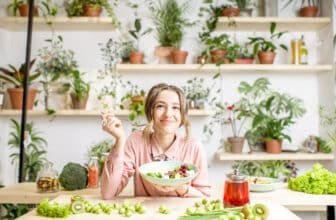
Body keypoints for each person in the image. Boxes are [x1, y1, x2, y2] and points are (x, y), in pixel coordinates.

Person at [100, 83, 210, 199]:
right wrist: (120, 139)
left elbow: (204, 197)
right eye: (160, 106)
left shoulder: (193, 146)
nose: (168, 114)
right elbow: (108, 193)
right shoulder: (136, 141)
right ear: (150, 111)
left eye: (175, 107)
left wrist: (179, 187)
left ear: (182, 115)